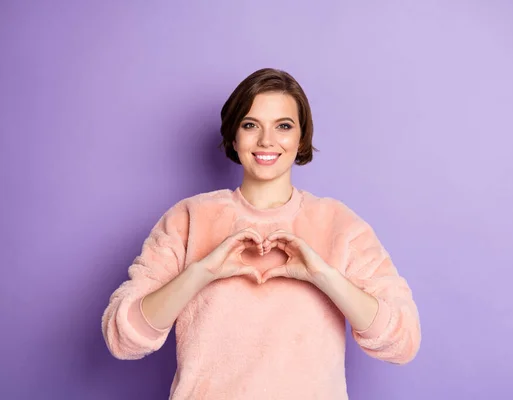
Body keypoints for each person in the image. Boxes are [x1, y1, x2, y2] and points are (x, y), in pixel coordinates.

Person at [101, 68, 421, 399]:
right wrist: (199, 274)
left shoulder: (341, 225)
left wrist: (325, 277)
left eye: (283, 126)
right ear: (234, 136)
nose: (267, 140)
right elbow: (122, 338)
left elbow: (403, 341)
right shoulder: (188, 219)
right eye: (251, 125)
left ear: (301, 138)